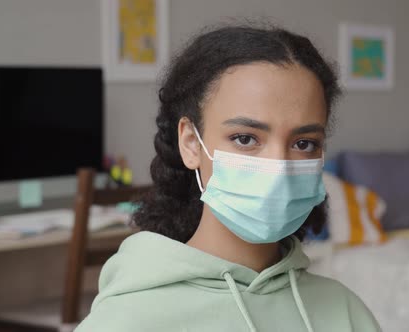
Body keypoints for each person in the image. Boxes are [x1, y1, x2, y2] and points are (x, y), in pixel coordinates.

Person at [76, 24, 380, 332]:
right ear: (191, 144)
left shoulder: (346, 312)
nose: (278, 168)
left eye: (304, 144)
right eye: (246, 138)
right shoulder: (123, 321)